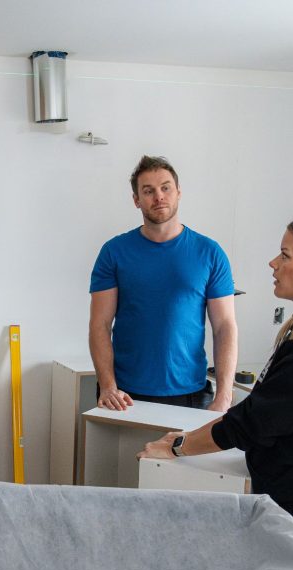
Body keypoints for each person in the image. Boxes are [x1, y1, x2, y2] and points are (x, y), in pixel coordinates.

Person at [137, 210, 293, 565]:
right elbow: (267, 413)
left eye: (286, 256)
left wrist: (179, 447)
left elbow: (253, 422)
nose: (273, 263)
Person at [90, 155, 238, 412]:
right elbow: (100, 325)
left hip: (190, 393)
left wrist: (224, 396)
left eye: (165, 188)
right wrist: (107, 385)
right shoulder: (114, 252)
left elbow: (224, 326)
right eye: (148, 191)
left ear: (178, 193)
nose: (159, 196)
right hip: (124, 396)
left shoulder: (210, 253)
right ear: (136, 200)